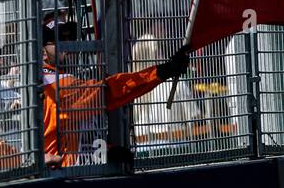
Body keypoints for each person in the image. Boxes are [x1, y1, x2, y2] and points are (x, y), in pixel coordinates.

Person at [41, 14, 189, 167]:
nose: (67, 45)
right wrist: (162, 71)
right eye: (59, 40)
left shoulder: (51, 81)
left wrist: (108, 151)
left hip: (74, 175)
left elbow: (81, 134)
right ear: (43, 51)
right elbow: (112, 91)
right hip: (64, 179)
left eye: (68, 38)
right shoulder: (56, 84)